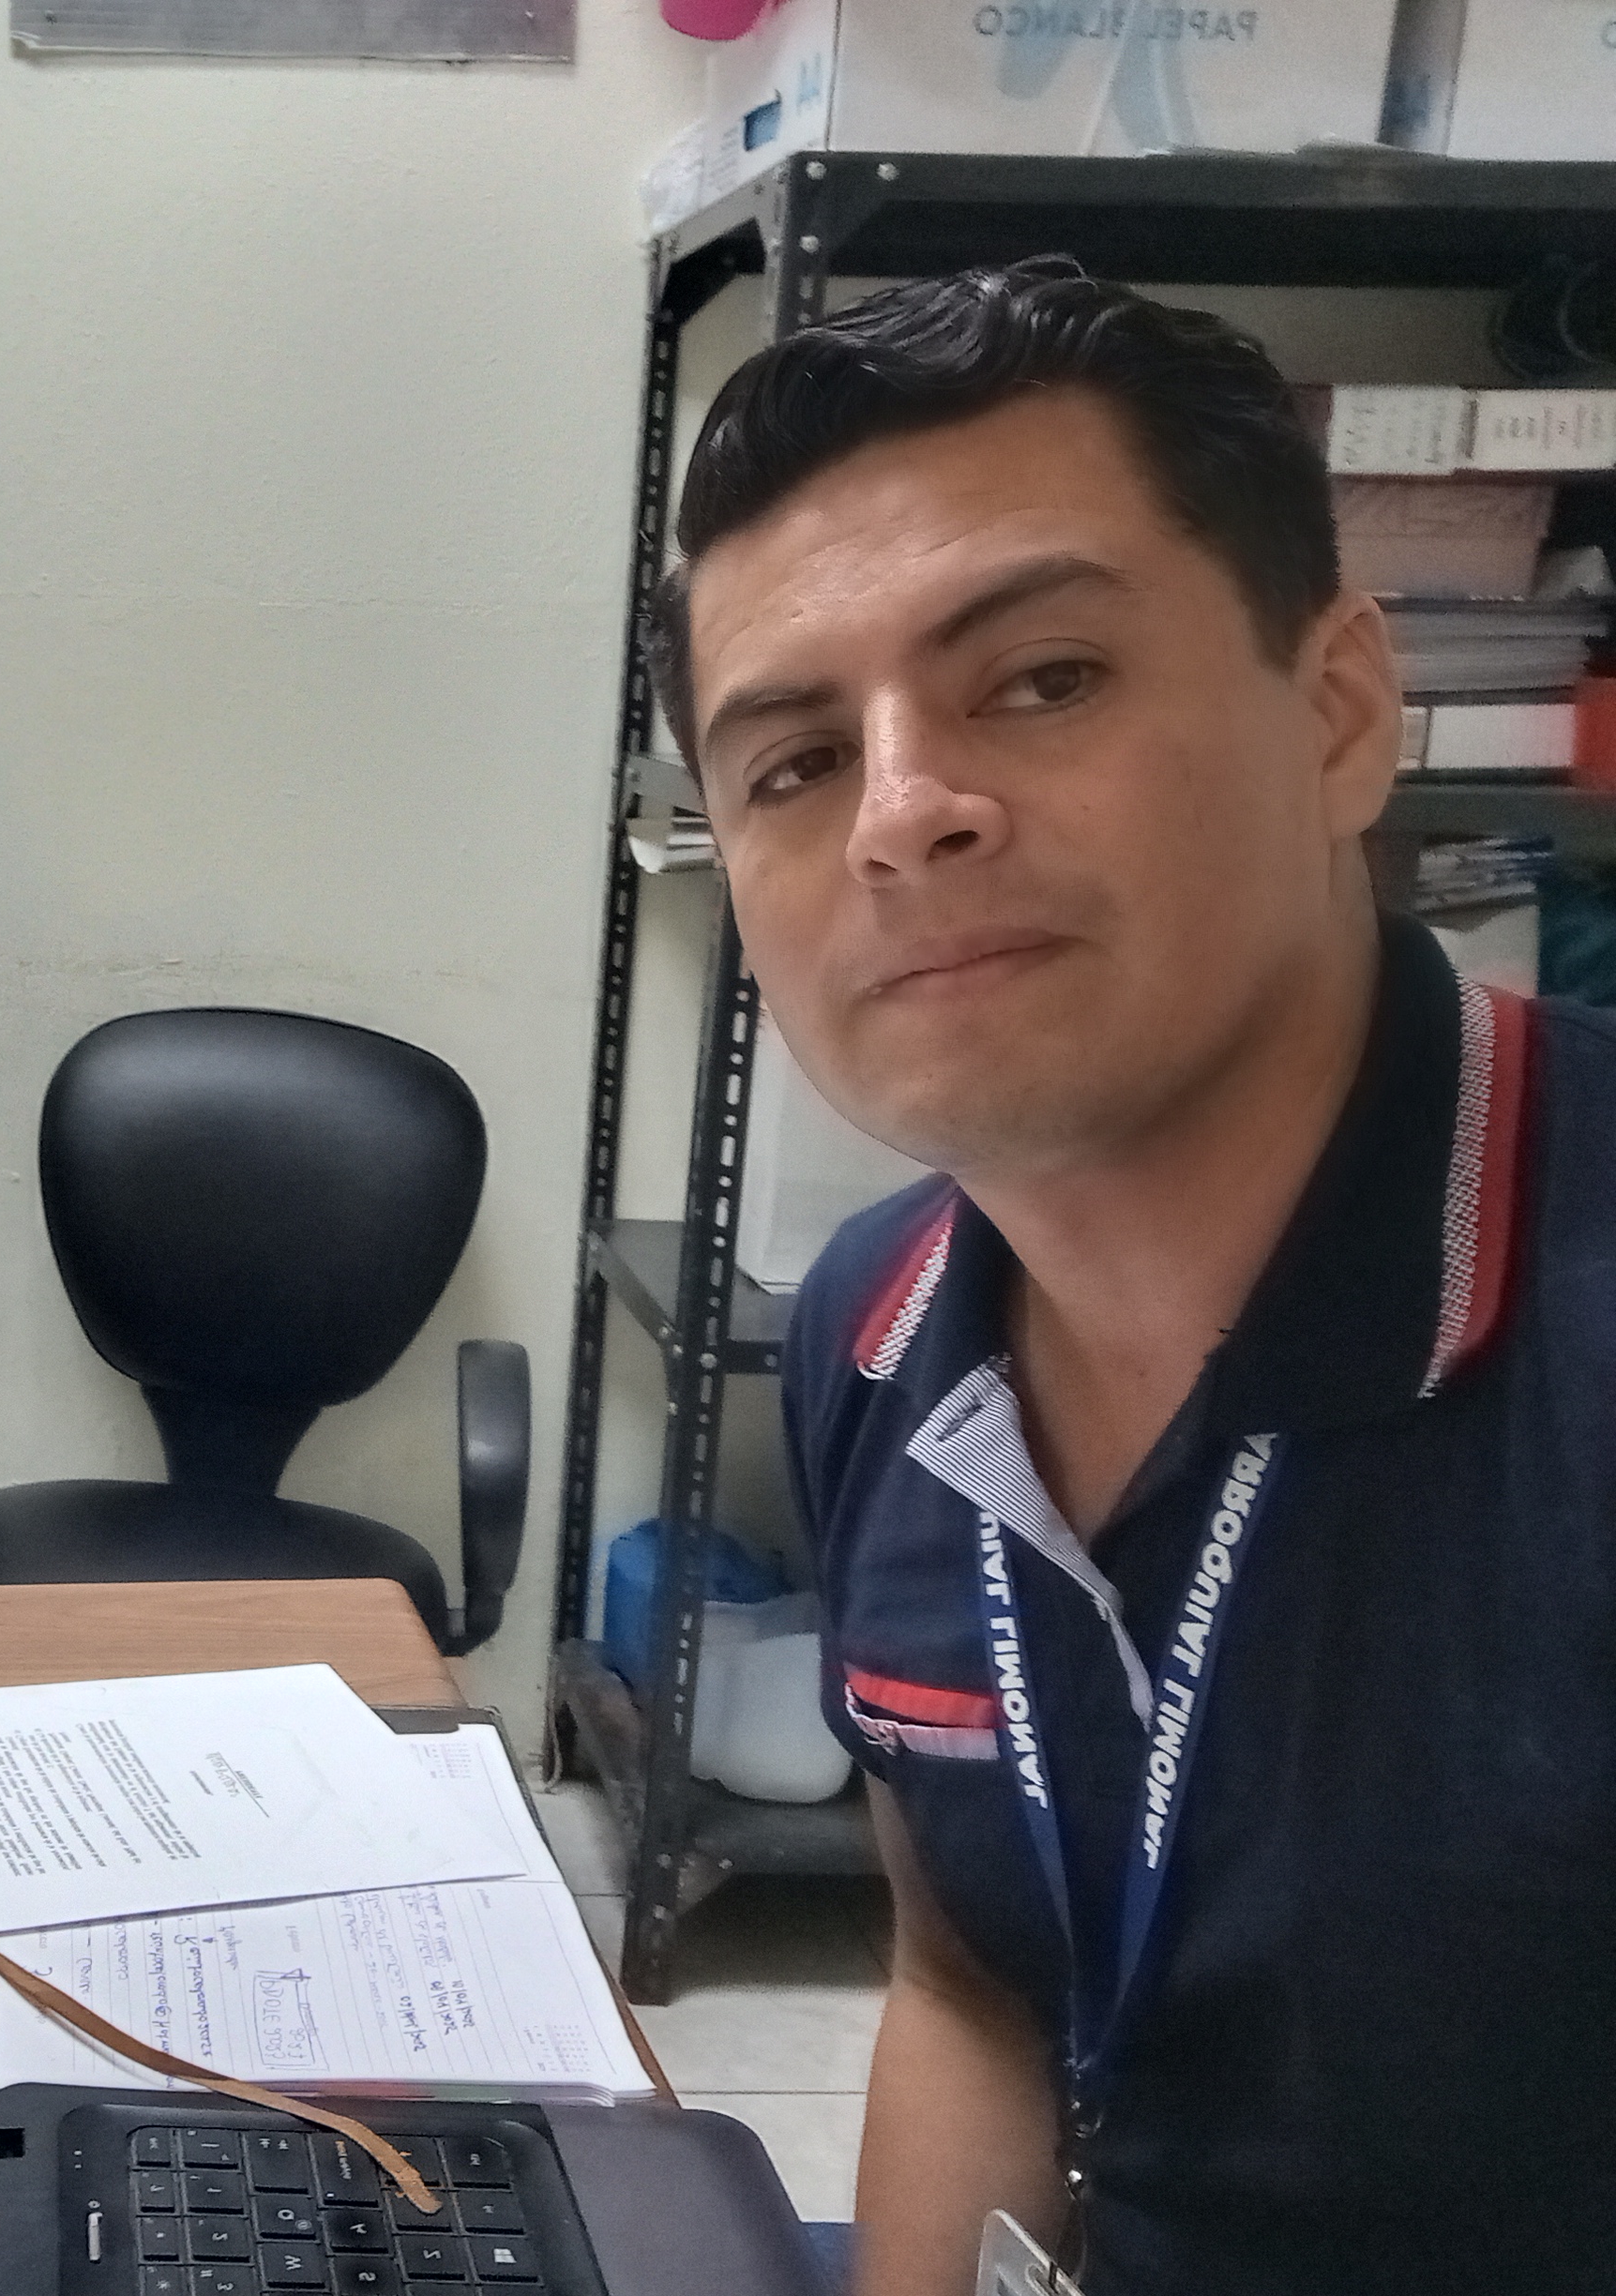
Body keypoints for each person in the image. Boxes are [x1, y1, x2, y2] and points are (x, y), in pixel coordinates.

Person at [657, 261, 1616, 2294]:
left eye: (1043, 677)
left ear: (1337, 712)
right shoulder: (875, 1329)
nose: (902, 815)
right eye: (795, 763)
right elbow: (969, 1989)